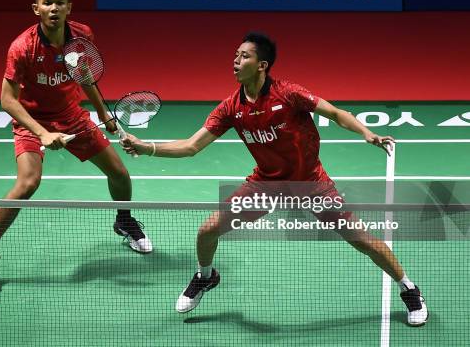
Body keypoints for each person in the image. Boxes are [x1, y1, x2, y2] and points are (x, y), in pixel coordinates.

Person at [121, 32, 428, 326]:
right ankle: (206, 276)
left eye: (244, 56)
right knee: (207, 231)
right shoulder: (231, 107)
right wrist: (147, 147)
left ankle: (409, 289)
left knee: (361, 239)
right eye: (235, 56)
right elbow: (191, 146)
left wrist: (366, 133)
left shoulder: (289, 93)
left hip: (310, 183)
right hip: (266, 184)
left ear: (262, 65)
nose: (236, 61)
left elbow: (334, 113)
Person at [0, 0, 152, 291]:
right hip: (33, 119)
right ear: (36, 9)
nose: (53, 8)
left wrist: (104, 112)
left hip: (72, 116)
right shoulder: (23, 47)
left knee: (119, 173)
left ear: (69, 7)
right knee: (28, 182)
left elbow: (85, 75)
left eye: (59, 2)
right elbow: (7, 100)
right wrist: (42, 133)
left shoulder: (82, 35)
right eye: (47, 3)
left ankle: (123, 220)